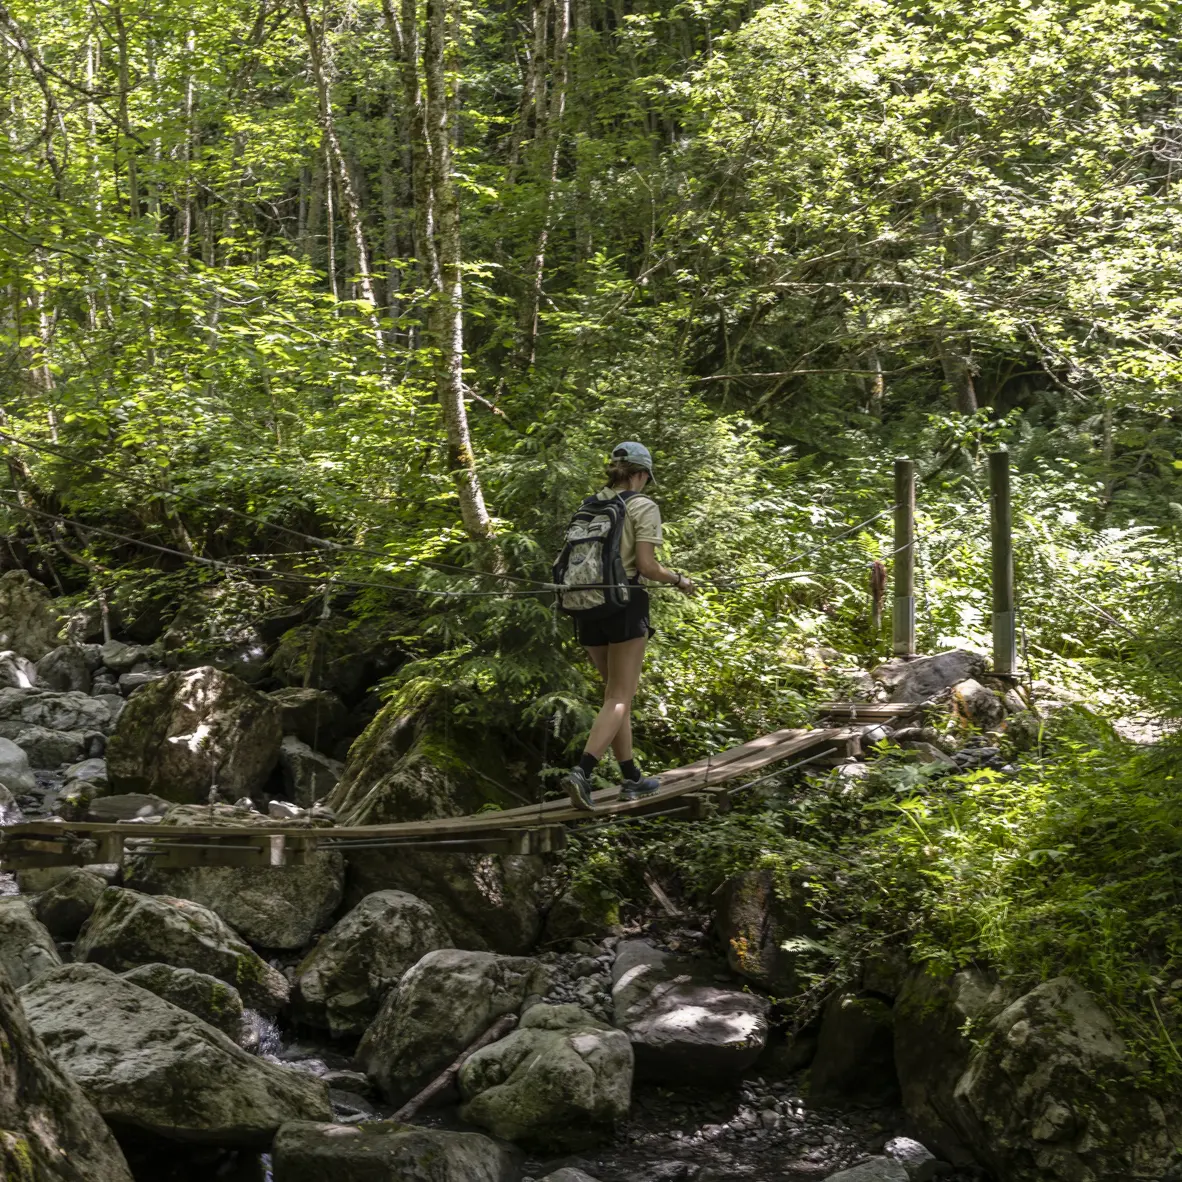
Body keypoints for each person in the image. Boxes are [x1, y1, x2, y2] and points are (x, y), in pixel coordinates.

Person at [563, 441, 696, 811]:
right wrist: (680, 580)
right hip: (624, 604)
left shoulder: (590, 505)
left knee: (614, 695)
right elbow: (648, 566)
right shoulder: (641, 505)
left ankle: (631, 776)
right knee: (620, 695)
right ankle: (583, 772)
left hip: (585, 606)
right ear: (640, 474)